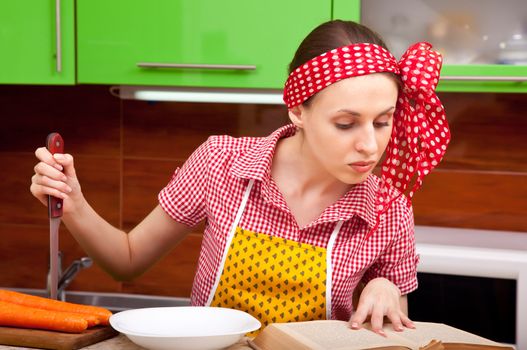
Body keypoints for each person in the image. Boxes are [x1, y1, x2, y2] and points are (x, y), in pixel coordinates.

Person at [30, 20, 450, 336]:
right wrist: (73, 203)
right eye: (346, 124)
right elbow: (127, 259)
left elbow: (392, 332)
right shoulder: (221, 162)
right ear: (297, 111)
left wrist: (385, 288)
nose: (370, 146)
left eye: (382, 122)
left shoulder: (390, 206)